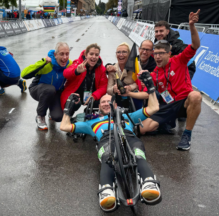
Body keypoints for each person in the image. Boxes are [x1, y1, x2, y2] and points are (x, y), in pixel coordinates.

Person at [60, 72, 162, 212]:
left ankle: (149, 182)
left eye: (109, 101)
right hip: (106, 140)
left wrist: (151, 89)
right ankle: (107, 190)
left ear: (115, 104)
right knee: (107, 158)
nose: (106, 103)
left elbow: (154, 108)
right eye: (103, 102)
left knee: (138, 154)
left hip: (128, 137)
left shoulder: (128, 116)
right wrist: (67, 109)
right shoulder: (91, 123)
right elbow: (64, 127)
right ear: (99, 106)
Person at [141, 10, 202, 151]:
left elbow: (195, 45)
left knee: (195, 96)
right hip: (168, 102)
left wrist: (192, 26)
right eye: (155, 54)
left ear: (169, 53)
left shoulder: (178, 55)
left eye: (161, 54)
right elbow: (146, 92)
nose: (157, 57)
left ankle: (187, 133)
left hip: (182, 93)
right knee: (143, 129)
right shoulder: (155, 71)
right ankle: (167, 122)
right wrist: (130, 91)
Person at [21, 42, 72, 130]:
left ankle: (51, 111)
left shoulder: (69, 64)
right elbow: (24, 74)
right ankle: (40, 116)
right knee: (49, 89)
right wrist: (43, 62)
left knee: (58, 117)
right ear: (55, 55)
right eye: (62, 54)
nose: (65, 57)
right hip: (38, 89)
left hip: (55, 92)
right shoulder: (47, 63)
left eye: (67, 54)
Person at [61, 43, 108, 111]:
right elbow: (65, 73)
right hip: (77, 95)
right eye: (91, 54)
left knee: (102, 101)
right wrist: (76, 71)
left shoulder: (101, 69)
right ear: (86, 55)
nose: (94, 57)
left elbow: (103, 87)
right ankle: (68, 117)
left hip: (91, 95)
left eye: (96, 55)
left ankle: (90, 114)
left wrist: (94, 96)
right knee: (70, 105)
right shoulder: (78, 63)